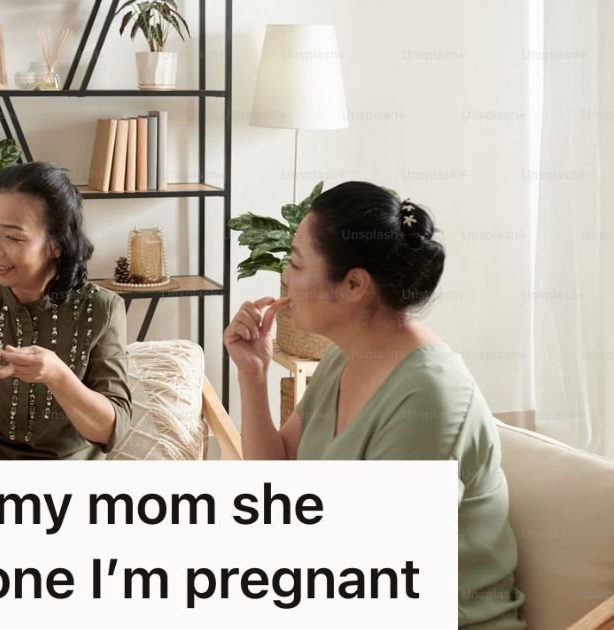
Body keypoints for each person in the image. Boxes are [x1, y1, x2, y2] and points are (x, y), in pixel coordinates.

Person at [224, 181, 525, 628]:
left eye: (296, 262)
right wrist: (253, 375)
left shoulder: (430, 396)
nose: (284, 276)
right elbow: (279, 474)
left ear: (354, 284)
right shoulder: (342, 358)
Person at [0, 161, 132, 459]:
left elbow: (111, 431)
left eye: (13, 237)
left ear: (57, 244)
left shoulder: (102, 309)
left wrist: (58, 376)